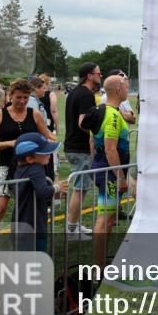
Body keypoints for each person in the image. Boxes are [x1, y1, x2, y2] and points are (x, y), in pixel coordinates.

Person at [0, 79, 56, 225]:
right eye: (19, 97)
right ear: (10, 96)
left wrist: (51, 141)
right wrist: (11, 143)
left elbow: (47, 136)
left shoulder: (35, 114)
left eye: (26, 97)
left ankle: (28, 239)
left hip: (31, 167)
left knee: (31, 206)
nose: (23, 101)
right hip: (5, 164)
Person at [91, 74, 131, 268]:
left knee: (108, 217)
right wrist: (120, 177)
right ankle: (98, 267)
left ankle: (99, 263)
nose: (128, 90)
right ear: (118, 89)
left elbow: (93, 142)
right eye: (126, 87)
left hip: (104, 169)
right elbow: (109, 149)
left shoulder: (103, 110)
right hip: (110, 173)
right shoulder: (113, 115)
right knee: (105, 219)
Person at [63, 62, 101, 239]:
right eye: (98, 73)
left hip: (72, 145)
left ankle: (74, 225)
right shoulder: (86, 95)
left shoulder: (75, 92)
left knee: (81, 188)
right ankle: (71, 229)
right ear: (89, 76)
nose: (100, 76)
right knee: (80, 189)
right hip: (79, 147)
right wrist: (97, 130)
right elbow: (83, 123)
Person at [12, 132, 66, 253]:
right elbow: (42, 192)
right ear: (29, 158)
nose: (49, 154)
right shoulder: (36, 168)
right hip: (33, 225)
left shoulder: (20, 169)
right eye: (45, 152)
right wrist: (57, 187)